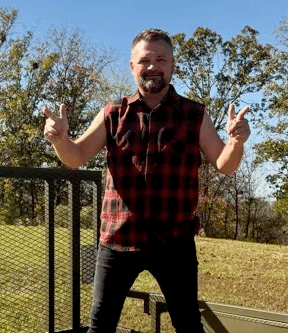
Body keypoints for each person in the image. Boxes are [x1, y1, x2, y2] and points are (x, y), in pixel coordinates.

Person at [44, 28, 250, 333]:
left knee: (188, 326)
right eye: (145, 60)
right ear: (132, 66)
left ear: (172, 65)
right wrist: (60, 140)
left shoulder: (195, 115)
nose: (153, 66)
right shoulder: (113, 113)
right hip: (118, 240)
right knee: (100, 326)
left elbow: (223, 164)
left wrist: (236, 143)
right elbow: (76, 156)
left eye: (161, 59)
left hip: (175, 242)